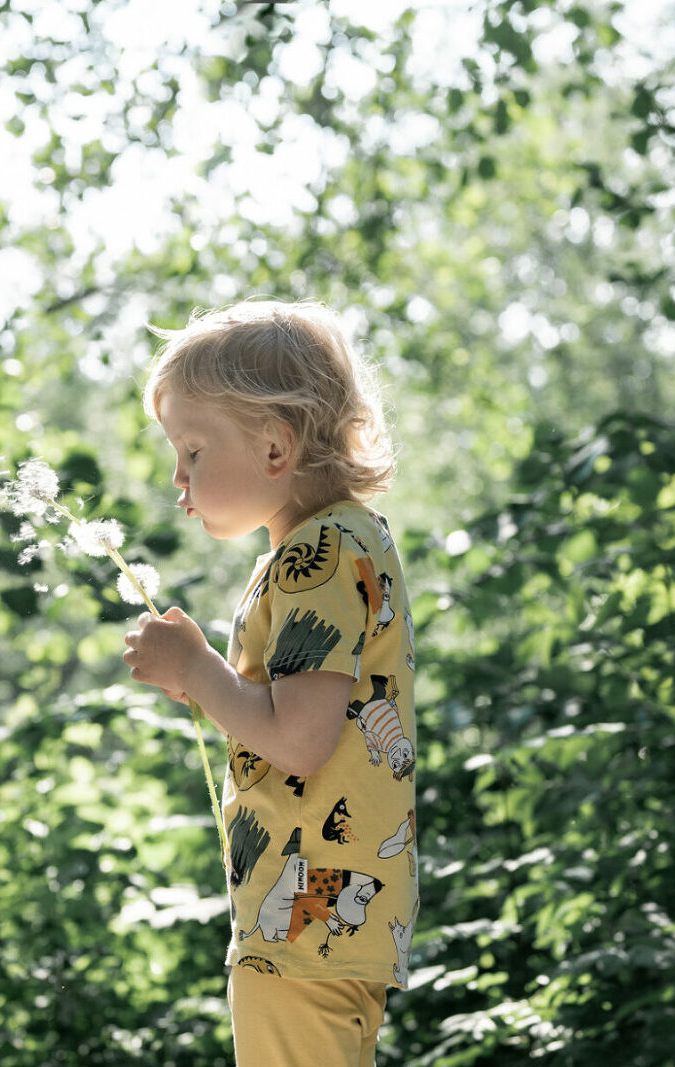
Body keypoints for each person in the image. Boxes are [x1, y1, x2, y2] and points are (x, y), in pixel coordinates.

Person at [123, 300, 418, 1067]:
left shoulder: (320, 552)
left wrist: (195, 670)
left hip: (306, 931)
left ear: (277, 446)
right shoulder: (340, 542)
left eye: (192, 450)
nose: (177, 478)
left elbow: (298, 740)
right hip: (323, 927)